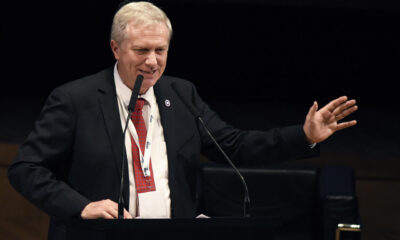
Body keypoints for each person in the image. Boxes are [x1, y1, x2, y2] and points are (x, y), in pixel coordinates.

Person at [8, 1, 358, 239]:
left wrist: (304, 135)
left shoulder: (181, 94)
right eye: (141, 50)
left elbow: (233, 146)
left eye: (160, 50)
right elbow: (26, 169)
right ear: (116, 49)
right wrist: (81, 206)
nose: (152, 61)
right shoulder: (75, 100)